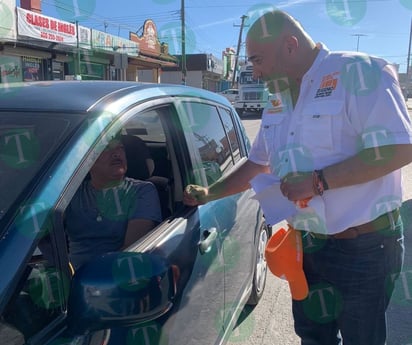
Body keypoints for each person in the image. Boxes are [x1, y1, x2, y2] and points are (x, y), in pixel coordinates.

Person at [183, 10, 412, 345]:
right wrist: (208, 192)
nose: (255, 71)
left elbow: (400, 148)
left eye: (258, 60)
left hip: (366, 248)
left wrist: (318, 181)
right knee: (313, 337)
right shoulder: (277, 100)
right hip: (307, 245)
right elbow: (257, 164)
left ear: (290, 45)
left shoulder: (360, 72)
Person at [65, 135, 162, 270]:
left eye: (120, 148)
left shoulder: (142, 191)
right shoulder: (71, 194)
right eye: (106, 148)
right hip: (70, 277)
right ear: (87, 160)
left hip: (119, 274)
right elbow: (42, 236)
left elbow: (132, 248)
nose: (117, 153)